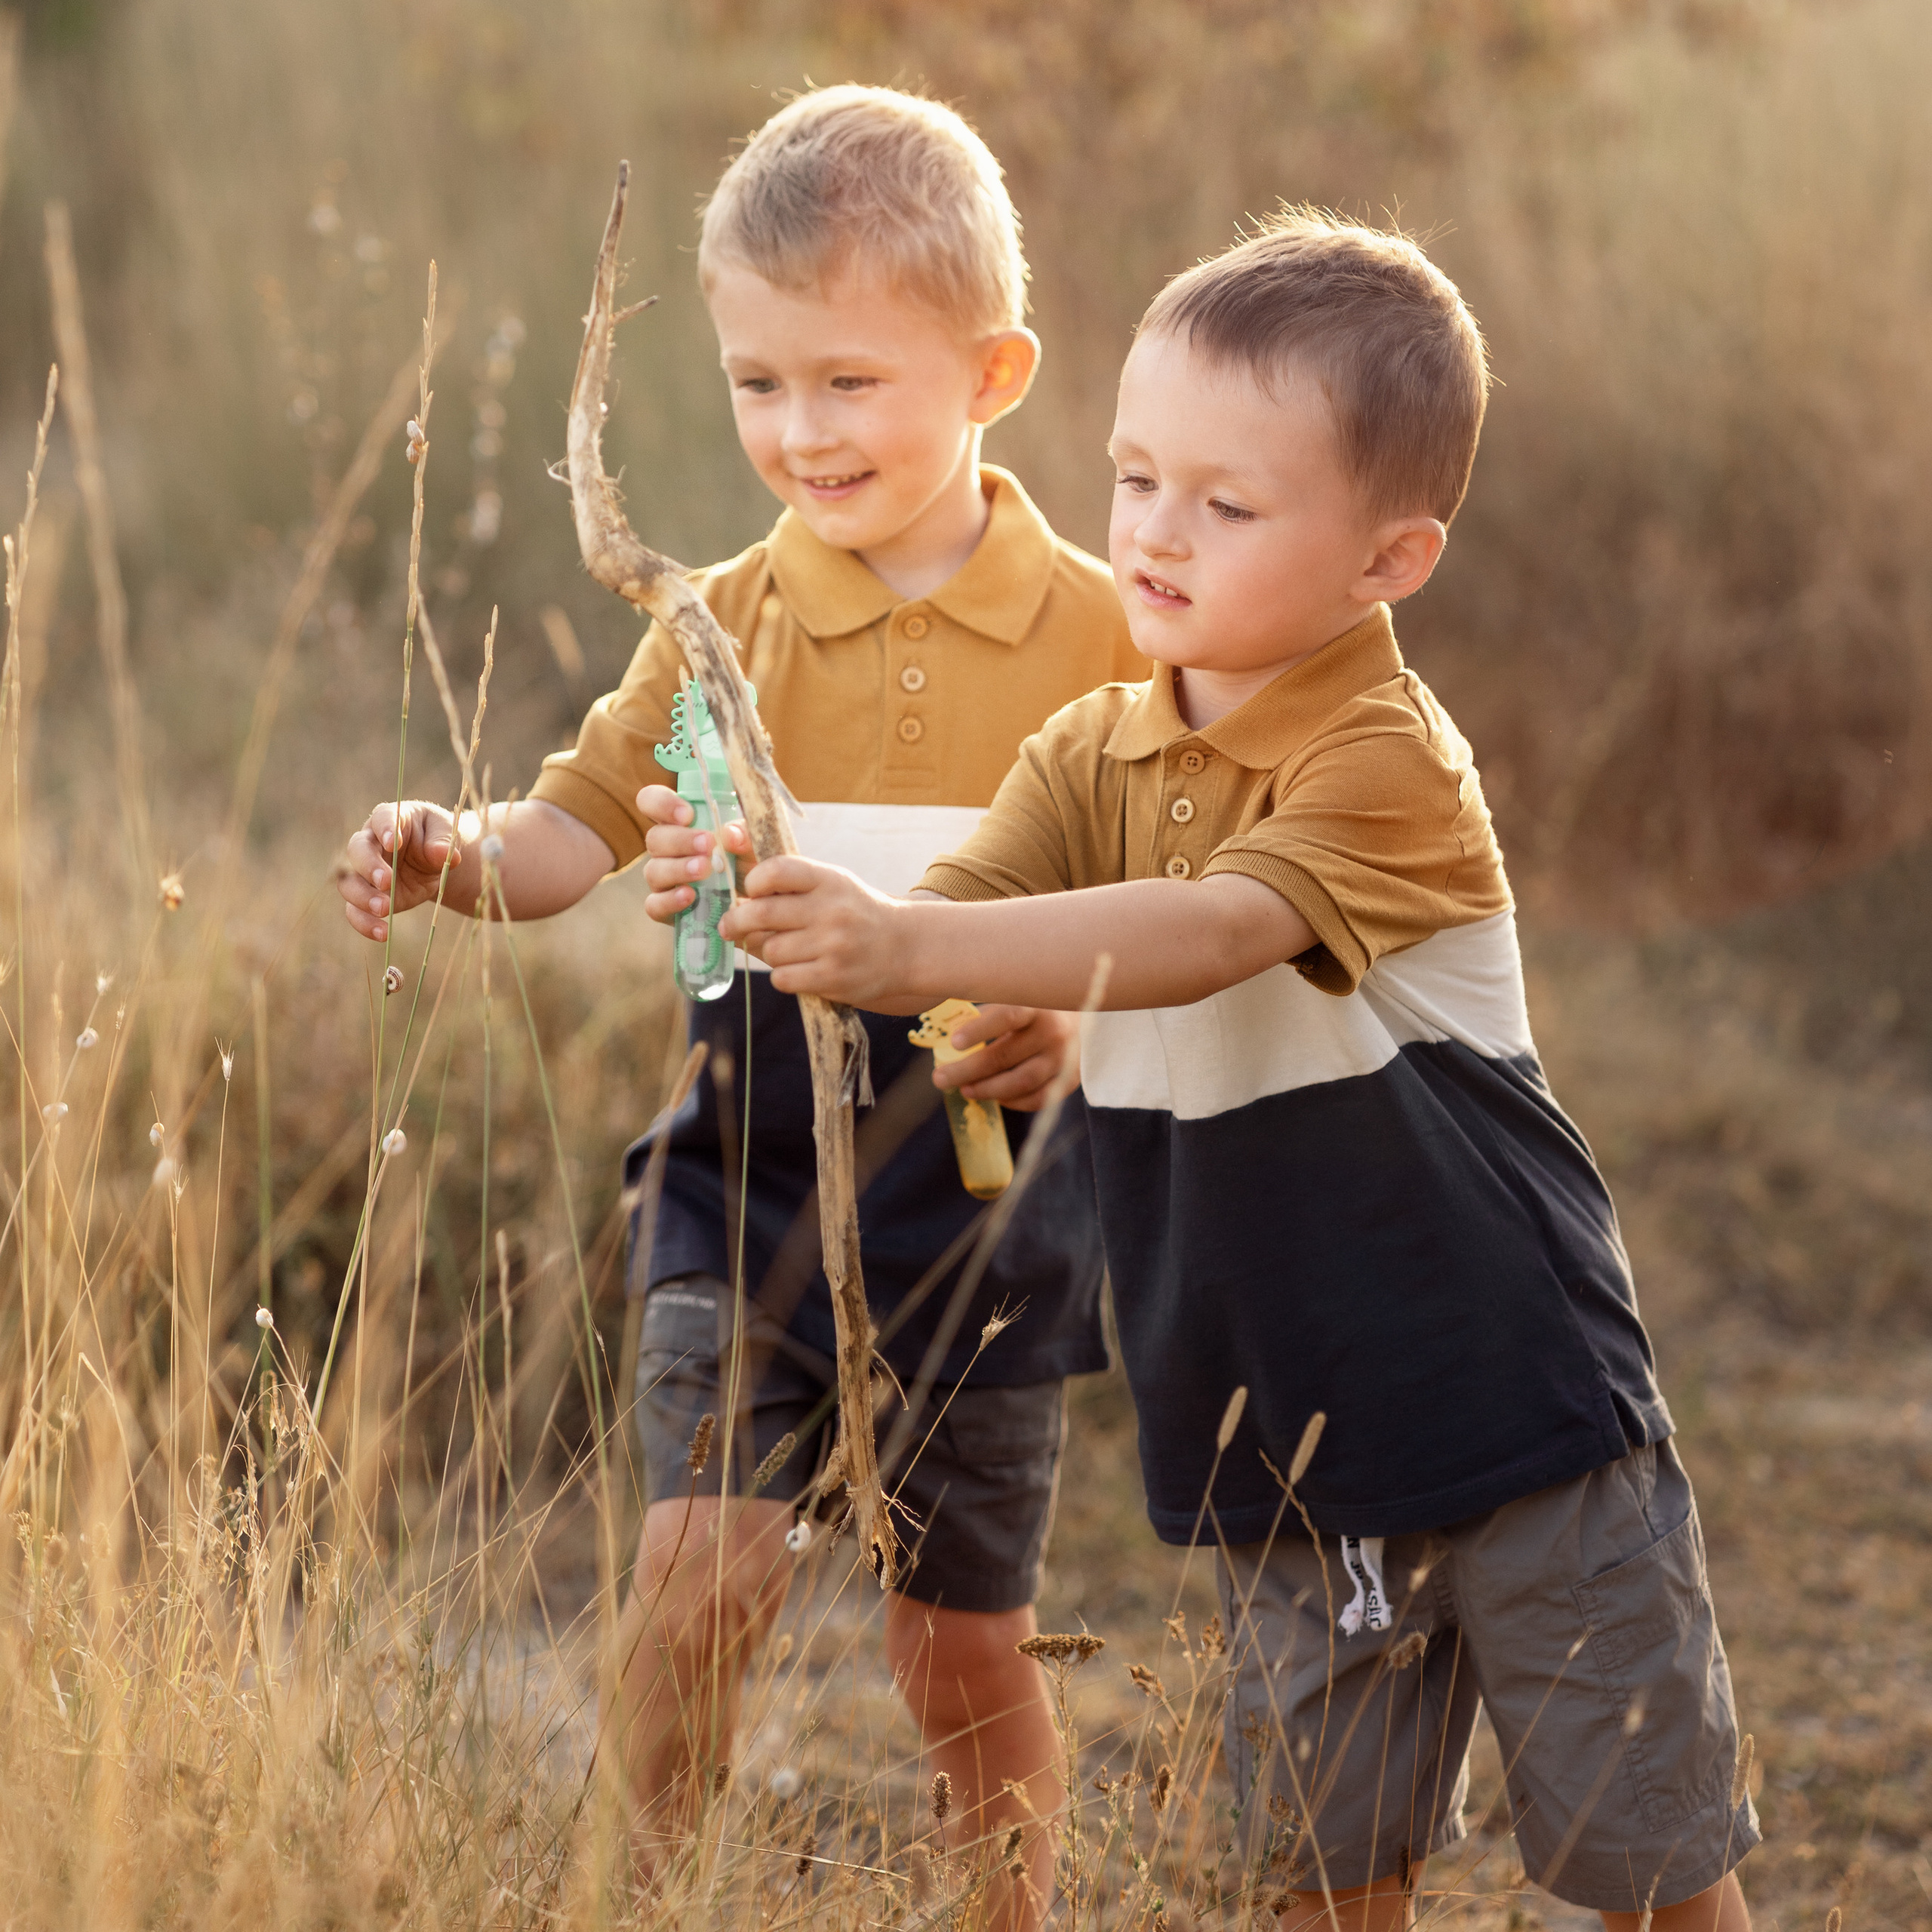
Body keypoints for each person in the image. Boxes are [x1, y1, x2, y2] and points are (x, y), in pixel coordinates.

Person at [701, 211, 1760, 1932]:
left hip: (1512, 1397)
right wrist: (837, 916)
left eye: (1226, 502)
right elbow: (962, 909)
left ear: (1386, 559)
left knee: (1637, 1863)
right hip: (1275, 1427)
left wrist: (934, 955)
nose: (1153, 534)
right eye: (1131, 478)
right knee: (1318, 1875)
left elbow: (1206, 931)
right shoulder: (1089, 744)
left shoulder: (1384, 758)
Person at [338, 85, 1142, 1920]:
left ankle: (1008, 1901)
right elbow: (571, 829)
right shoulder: (718, 620)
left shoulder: (1101, 633)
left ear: (992, 369)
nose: (799, 432)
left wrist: (1074, 1016)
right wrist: (454, 847)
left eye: (847, 381)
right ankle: (627, 1891)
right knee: (699, 1578)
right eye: (756, 383)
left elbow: (1179, 906)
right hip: (740, 1164)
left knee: (955, 1651)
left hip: (985, 1194)